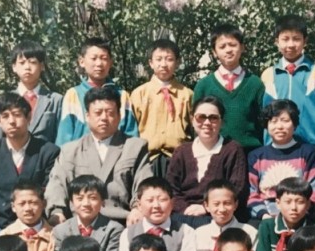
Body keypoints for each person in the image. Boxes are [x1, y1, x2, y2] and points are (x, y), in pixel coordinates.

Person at [45, 86, 152, 226]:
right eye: (98, 113)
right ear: (87, 116)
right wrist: (57, 211)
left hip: (122, 222)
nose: (104, 118)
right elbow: (57, 185)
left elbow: (145, 185)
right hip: (79, 223)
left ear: (119, 116)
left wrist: (138, 208)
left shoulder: (135, 147)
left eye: (110, 113)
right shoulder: (70, 151)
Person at [0, 92, 59, 227]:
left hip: (37, 224)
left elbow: (51, 192)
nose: (11, 121)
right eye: (5, 116)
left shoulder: (48, 151)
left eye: (17, 115)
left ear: (29, 117)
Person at [166, 96, 247, 226]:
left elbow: (237, 189)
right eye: (201, 117)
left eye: (213, 118)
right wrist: (185, 208)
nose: (207, 122)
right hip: (181, 216)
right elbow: (170, 189)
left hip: (218, 218)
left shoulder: (233, 150)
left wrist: (206, 208)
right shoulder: (181, 151)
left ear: (221, 122)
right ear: (192, 120)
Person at [192, 24, 265, 152]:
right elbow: (197, 124)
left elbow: (263, 123)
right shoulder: (203, 85)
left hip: (250, 153)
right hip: (214, 152)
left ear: (242, 47)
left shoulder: (255, 84)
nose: (228, 50)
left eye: (232, 45)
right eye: (222, 46)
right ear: (214, 52)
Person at [247, 100, 315, 221]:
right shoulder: (256, 156)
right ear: (266, 126)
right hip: (265, 218)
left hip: (301, 216)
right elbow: (252, 194)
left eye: (285, 120)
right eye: (274, 121)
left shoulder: (309, 153)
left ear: (295, 124)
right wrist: (265, 216)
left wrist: (296, 215)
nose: (279, 126)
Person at [261, 14, 315, 147]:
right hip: (276, 147)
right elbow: (265, 114)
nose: (291, 44)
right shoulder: (268, 75)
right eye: (285, 39)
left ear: (305, 41)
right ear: (277, 42)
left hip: (311, 145)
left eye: (296, 39)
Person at [56, 36, 138, 146]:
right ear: (82, 62)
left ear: (110, 62)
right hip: (81, 154)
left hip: (117, 153)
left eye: (104, 58)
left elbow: (131, 133)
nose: (99, 63)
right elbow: (64, 136)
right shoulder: (73, 95)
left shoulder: (122, 96)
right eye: (93, 58)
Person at [115, 177, 198, 251]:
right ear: (139, 205)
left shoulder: (185, 231)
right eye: (150, 200)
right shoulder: (128, 233)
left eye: (162, 200)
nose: (156, 206)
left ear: (172, 203)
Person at [130, 38, 193, 178]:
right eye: (158, 59)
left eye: (169, 59)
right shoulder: (139, 94)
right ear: (151, 63)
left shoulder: (186, 94)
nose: (163, 64)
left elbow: (193, 129)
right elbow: (132, 130)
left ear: (177, 62)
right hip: (147, 159)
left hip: (178, 159)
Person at [191, 180, 258, 251]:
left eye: (227, 203)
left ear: (235, 205)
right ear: (206, 206)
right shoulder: (198, 234)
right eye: (216, 204)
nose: (222, 209)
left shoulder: (250, 232)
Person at [52, 175, 123, 251]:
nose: (86, 204)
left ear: (103, 201)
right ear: (71, 202)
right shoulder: (61, 230)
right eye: (79, 198)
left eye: (93, 198)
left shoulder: (113, 229)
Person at [255, 178, 314, 251]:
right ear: (278, 203)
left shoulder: (313, 230)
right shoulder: (267, 226)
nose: (294, 208)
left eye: (300, 202)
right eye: (288, 202)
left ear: (308, 204)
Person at [6, 39, 64, 144]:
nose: (27, 67)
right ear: (14, 67)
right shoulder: (5, 100)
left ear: (42, 66)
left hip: (46, 153)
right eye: (22, 63)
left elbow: (60, 139)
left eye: (33, 62)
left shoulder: (56, 100)